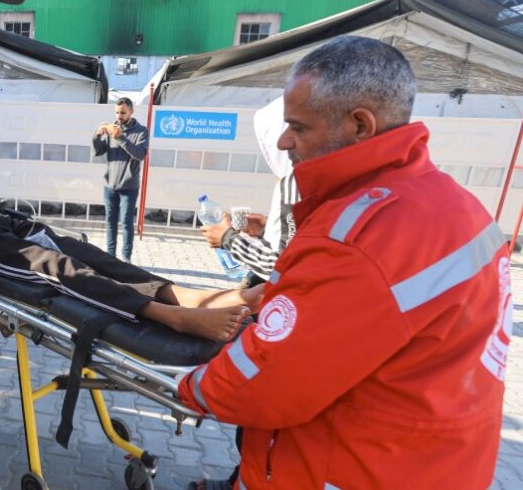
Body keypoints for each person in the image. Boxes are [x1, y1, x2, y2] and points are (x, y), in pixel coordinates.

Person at [177, 36, 508, 488]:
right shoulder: (459, 206)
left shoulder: (358, 236)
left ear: (359, 125)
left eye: (299, 126)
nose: (284, 139)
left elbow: (268, 383)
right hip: (443, 458)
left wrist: (191, 387)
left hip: (354, 468)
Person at [0, 151, 259, 341]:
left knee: (92, 255)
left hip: (6, 221)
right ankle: (172, 317)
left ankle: (184, 295)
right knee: (61, 269)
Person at [200, 96, 300, 284]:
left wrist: (229, 239)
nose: (282, 143)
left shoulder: (295, 183)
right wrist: (266, 226)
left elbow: (286, 268)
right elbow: (296, 239)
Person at [93, 98, 148, 262]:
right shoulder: (112, 129)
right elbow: (99, 151)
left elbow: (140, 154)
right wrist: (97, 136)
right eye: (117, 112)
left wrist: (121, 138)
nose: (119, 116)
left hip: (129, 186)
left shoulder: (141, 131)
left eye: (123, 112)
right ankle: (110, 257)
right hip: (110, 185)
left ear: (131, 111)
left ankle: (126, 258)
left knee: (125, 222)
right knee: (110, 221)